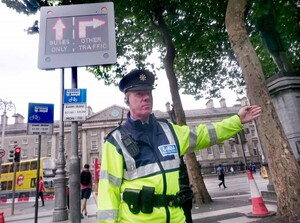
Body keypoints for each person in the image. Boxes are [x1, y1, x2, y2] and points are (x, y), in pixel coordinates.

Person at [97, 69, 262, 223]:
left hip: (177, 218)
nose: (146, 98)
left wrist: (237, 120)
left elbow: (205, 134)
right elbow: (108, 193)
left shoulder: (169, 130)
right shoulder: (115, 141)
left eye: (148, 93)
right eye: (139, 94)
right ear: (127, 99)